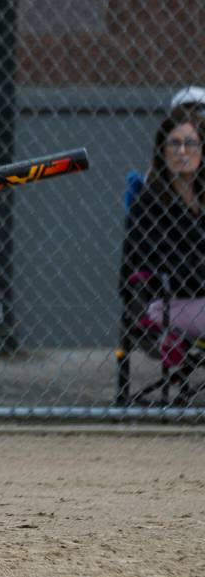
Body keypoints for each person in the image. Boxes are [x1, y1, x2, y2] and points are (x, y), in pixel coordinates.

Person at [120, 108, 205, 378]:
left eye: (190, 143)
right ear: (162, 151)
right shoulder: (149, 202)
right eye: (174, 143)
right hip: (168, 300)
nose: (182, 151)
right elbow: (154, 260)